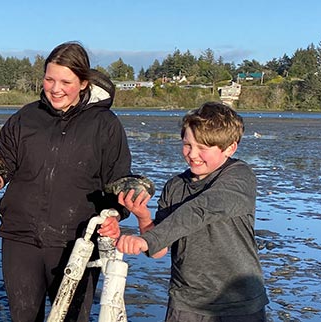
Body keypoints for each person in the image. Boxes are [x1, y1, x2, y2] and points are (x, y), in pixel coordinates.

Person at [0, 41, 132, 322]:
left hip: (76, 242)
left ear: (83, 83)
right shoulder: (25, 118)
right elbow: (3, 172)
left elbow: (118, 182)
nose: (56, 88)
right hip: (20, 240)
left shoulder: (105, 125)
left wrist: (115, 215)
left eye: (66, 81)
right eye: (49, 79)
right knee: (23, 317)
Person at [115, 101, 269, 321]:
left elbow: (202, 209)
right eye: (187, 144)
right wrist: (143, 216)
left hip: (240, 302)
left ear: (230, 148)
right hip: (186, 302)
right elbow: (158, 250)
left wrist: (148, 240)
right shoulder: (174, 186)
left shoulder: (240, 176)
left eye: (203, 148)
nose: (192, 154)